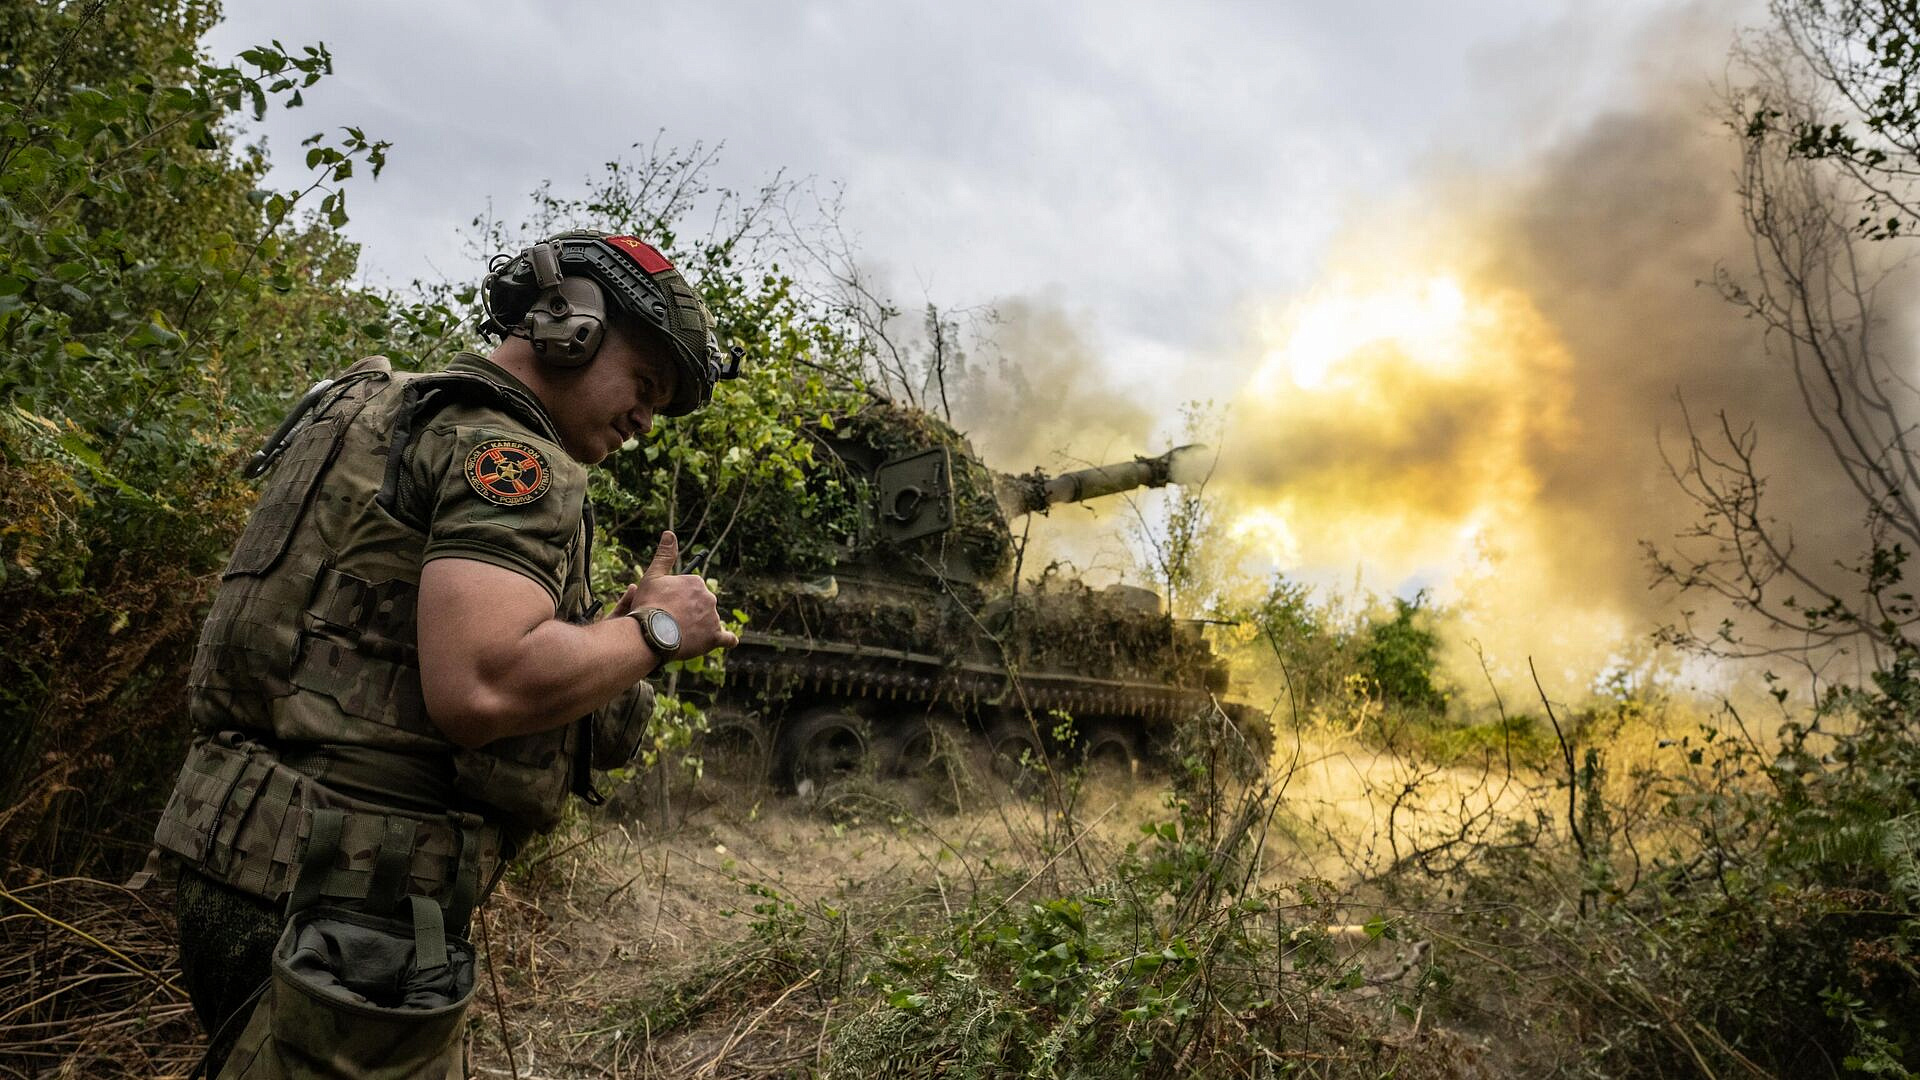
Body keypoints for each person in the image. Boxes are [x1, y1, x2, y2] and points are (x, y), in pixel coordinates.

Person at [148, 230, 739, 1076]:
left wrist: (607, 638)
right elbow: (482, 687)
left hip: (239, 856)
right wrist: (659, 630)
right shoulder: (511, 457)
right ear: (570, 325)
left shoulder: (370, 407)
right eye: (644, 383)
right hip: (350, 900)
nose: (646, 418)